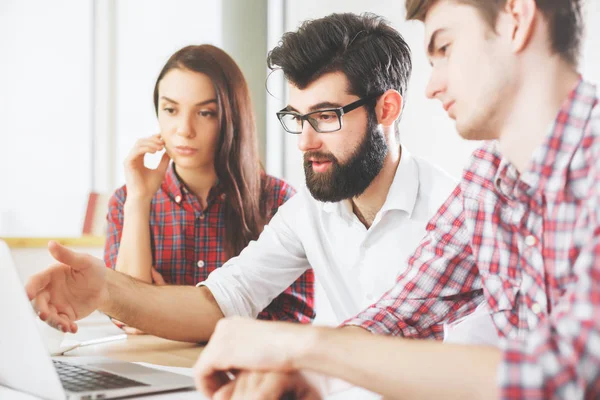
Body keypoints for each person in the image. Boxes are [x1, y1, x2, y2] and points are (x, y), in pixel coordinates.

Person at [192, 1, 600, 399]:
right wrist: (312, 374)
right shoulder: (487, 179)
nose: (432, 85)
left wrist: (301, 347)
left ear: (516, 18)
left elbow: (565, 376)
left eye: (445, 48)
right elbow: (405, 309)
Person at [25, 14, 469, 348]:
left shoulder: (456, 213)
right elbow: (223, 299)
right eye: (298, 118)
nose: (305, 142)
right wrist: (105, 290)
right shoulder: (308, 212)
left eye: (326, 116)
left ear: (386, 110)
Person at [104, 45, 314, 333]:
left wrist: (166, 312)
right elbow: (126, 316)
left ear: (231, 117)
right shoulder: (126, 201)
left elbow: (293, 320)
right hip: (153, 368)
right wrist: (139, 201)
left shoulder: (278, 202)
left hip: (244, 372)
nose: (184, 129)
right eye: (170, 110)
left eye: (204, 113)